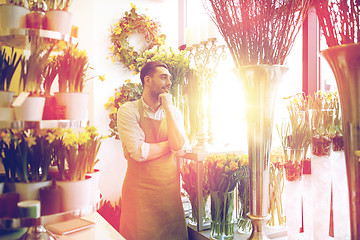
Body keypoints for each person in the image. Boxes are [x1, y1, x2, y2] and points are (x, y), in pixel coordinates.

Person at [117, 61, 189, 240]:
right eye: (163, 77)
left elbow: (180, 148)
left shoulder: (174, 113)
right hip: (140, 198)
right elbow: (139, 153)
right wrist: (169, 145)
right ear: (147, 80)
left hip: (169, 197)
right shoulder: (128, 110)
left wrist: (168, 109)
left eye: (169, 78)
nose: (169, 82)